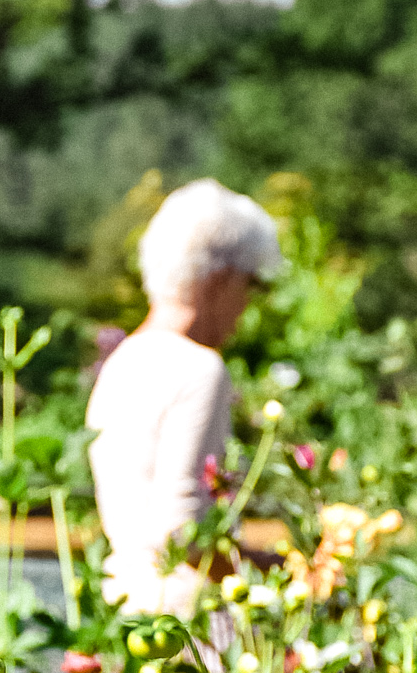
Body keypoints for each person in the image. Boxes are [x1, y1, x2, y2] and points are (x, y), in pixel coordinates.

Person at [86, 179, 282, 616]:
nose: (246, 304)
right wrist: (280, 570)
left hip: (122, 606)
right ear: (220, 279)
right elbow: (182, 533)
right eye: (247, 285)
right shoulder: (200, 368)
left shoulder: (122, 362)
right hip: (180, 627)